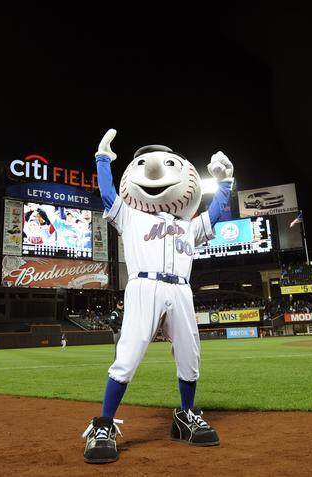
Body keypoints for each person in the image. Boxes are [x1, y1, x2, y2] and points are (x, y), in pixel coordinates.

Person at [82, 129, 231, 464]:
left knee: (190, 357)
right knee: (128, 357)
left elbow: (216, 213)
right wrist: (103, 159)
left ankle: (186, 416)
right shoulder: (131, 216)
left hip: (181, 288)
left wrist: (226, 182)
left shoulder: (189, 225)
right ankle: (103, 425)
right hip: (143, 286)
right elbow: (108, 194)